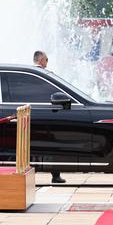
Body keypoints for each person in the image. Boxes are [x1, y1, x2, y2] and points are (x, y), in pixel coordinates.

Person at [33, 50, 65, 184]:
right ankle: (55, 175)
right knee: (51, 144)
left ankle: (54, 174)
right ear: (41, 60)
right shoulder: (41, 75)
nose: (47, 62)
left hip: (35, 114)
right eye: (46, 59)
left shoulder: (34, 74)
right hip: (43, 115)